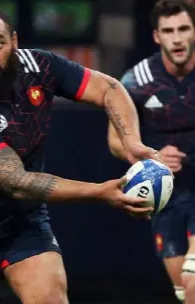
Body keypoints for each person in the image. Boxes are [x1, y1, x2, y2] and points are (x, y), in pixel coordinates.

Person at [0, 6, 158, 304]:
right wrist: (100, 192)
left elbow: (109, 88)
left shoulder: (39, 66)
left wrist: (131, 142)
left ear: (14, 42)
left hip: (22, 222)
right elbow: (19, 183)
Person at [108, 0, 195, 302]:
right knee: (185, 293)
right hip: (167, 195)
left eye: (184, 28)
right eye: (169, 31)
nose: (178, 38)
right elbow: (115, 141)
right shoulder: (136, 82)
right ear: (157, 36)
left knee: (193, 280)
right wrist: (152, 155)